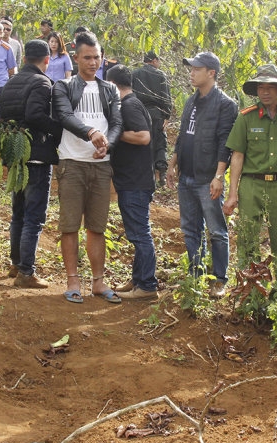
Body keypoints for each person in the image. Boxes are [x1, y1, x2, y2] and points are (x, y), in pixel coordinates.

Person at [52, 31, 123, 304]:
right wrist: (91, 132)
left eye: (97, 57)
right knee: (69, 225)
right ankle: (72, 282)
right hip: (72, 162)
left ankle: (98, 282)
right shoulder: (64, 86)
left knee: (97, 226)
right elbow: (65, 116)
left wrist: (109, 145)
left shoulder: (110, 89)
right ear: (76, 57)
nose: (93, 62)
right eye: (87, 57)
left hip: (101, 165)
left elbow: (117, 123)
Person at [223, 64, 277, 272]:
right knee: (247, 239)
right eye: (261, 87)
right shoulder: (246, 117)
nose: (265, 92)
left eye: (270, 87)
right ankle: (249, 288)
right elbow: (237, 156)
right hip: (252, 185)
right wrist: (233, 193)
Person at [166, 52, 237, 298]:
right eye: (191, 68)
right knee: (190, 229)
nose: (192, 73)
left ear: (211, 73)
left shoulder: (225, 104)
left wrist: (219, 176)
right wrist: (173, 163)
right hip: (186, 176)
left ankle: (219, 279)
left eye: (197, 69)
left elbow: (225, 143)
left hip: (208, 177)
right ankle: (196, 276)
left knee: (216, 230)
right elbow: (184, 135)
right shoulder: (191, 101)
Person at [0, 39, 62, 288]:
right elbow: (36, 115)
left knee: (19, 213)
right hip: (36, 156)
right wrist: (59, 129)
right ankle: (26, 272)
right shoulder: (42, 82)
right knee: (33, 216)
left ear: (24, 59)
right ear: (47, 60)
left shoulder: (10, 82)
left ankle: (16, 264)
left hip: (15, 156)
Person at [106, 65, 158, 300]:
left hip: (135, 181)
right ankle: (138, 279)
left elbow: (143, 136)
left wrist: (113, 133)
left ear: (113, 85)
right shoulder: (132, 103)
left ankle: (147, 285)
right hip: (132, 179)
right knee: (137, 233)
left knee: (140, 234)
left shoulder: (129, 105)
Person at [132, 51, 173, 187]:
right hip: (157, 113)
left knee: (144, 143)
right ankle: (161, 171)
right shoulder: (160, 75)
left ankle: (148, 176)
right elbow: (165, 97)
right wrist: (167, 115)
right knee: (160, 141)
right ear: (154, 60)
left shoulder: (135, 74)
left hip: (140, 113)